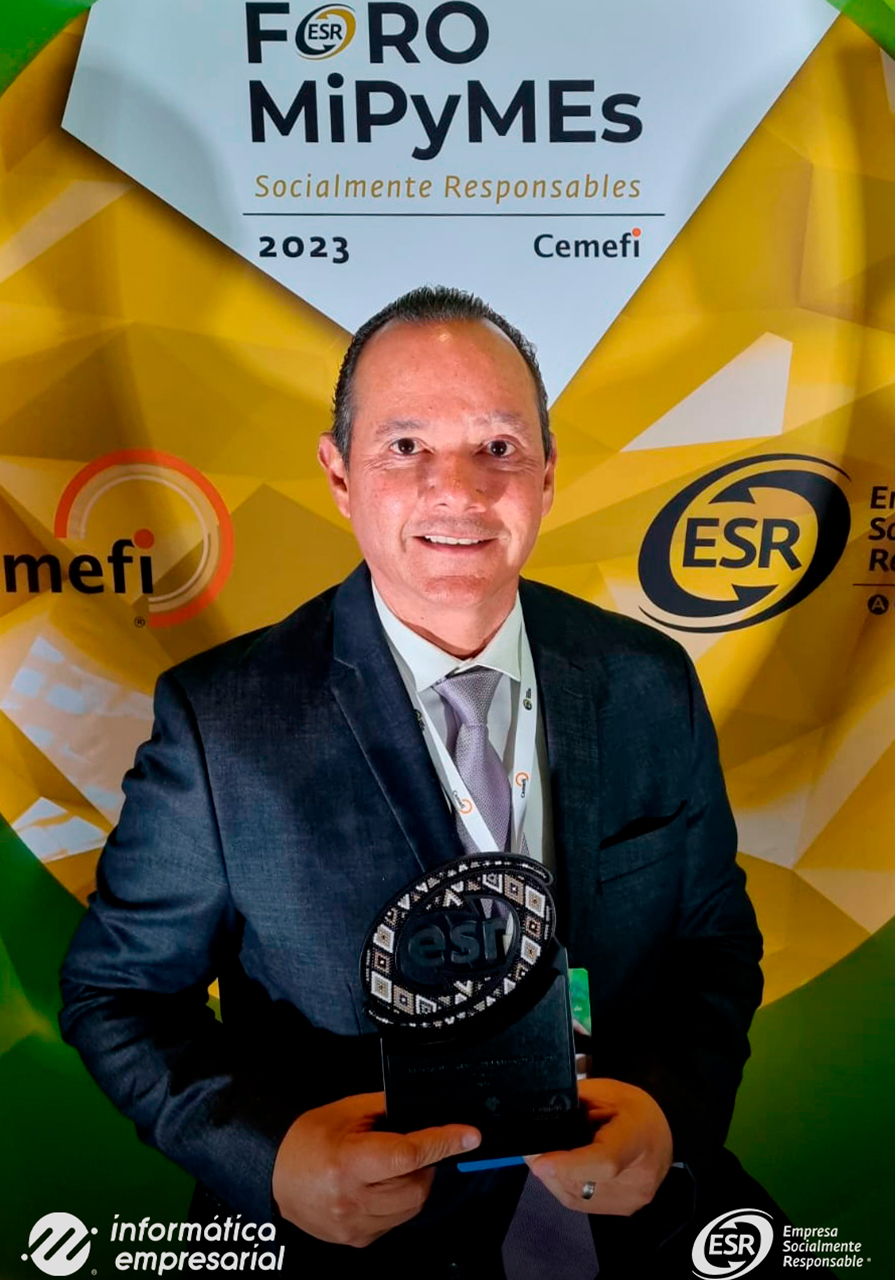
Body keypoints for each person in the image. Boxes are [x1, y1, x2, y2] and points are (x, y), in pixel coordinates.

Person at [59, 285, 772, 1279]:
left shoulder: (649, 681)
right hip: (353, 1247)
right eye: (405, 447)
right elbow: (119, 994)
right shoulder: (223, 722)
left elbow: (712, 944)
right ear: (339, 475)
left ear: (546, 474)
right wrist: (272, 1159)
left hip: (635, 1217)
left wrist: (666, 1112)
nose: (459, 491)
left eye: (497, 447)